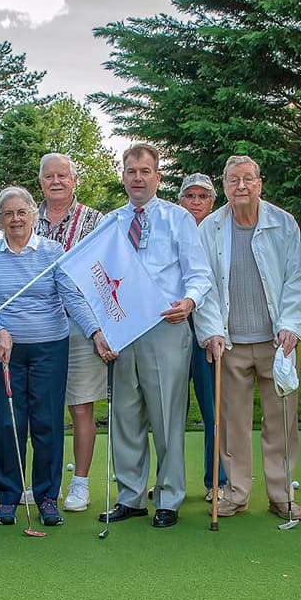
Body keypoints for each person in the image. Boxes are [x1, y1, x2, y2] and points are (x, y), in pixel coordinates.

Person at [0, 186, 113, 526]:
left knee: (47, 423)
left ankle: (47, 496)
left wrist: (96, 332)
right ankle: (7, 497)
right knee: (8, 424)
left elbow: (72, 298)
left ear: (33, 217)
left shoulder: (53, 251)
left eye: (22, 212)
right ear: (0, 220)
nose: (16, 219)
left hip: (50, 347)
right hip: (6, 351)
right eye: (9, 214)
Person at [99, 143, 212, 529]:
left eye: (145, 171)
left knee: (166, 418)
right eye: (131, 171)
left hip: (166, 327)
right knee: (126, 418)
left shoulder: (178, 219)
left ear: (157, 177)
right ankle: (130, 496)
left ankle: (168, 497)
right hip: (123, 329)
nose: (137, 178)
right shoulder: (110, 223)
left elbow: (199, 273)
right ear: (123, 176)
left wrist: (190, 302)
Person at [195, 155, 301, 520]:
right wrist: (211, 330)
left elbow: (295, 280)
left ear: (260, 183)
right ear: (224, 185)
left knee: (282, 424)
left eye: (247, 179)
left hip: (277, 342)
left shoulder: (283, 223)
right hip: (230, 344)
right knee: (232, 424)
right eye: (232, 180)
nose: (240, 186)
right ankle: (236, 493)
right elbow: (205, 285)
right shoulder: (209, 228)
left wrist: (291, 325)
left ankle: (281, 495)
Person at [34, 153, 105, 512]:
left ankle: (79, 484)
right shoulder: (27, 219)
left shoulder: (96, 221)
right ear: (41, 181)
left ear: (74, 180)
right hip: (38, 327)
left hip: (81, 326)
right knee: (42, 410)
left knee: (80, 407)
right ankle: (43, 482)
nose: (56, 181)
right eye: (49, 176)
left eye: (63, 175)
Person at [178, 172, 224, 502]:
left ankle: (217, 480)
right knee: (169, 411)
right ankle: (169, 480)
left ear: (212, 201)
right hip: (172, 330)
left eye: (203, 196)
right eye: (190, 196)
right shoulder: (171, 228)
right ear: (181, 200)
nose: (196, 202)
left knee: (213, 408)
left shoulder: (219, 234)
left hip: (208, 333)